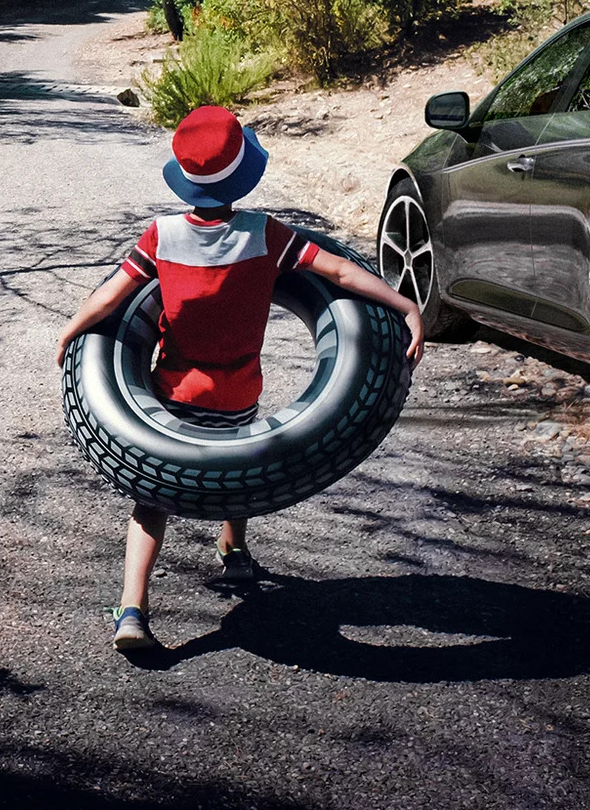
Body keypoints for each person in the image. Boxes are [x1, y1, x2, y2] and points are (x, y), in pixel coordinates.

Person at [54, 105, 425, 652]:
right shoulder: (267, 235)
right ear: (242, 175)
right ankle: (234, 554)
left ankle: (132, 608)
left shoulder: (161, 236)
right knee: (240, 469)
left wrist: (70, 330)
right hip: (236, 393)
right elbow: (342, 273)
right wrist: (405, 307)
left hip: (172, 392)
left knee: (150, 497)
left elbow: (112, 297)